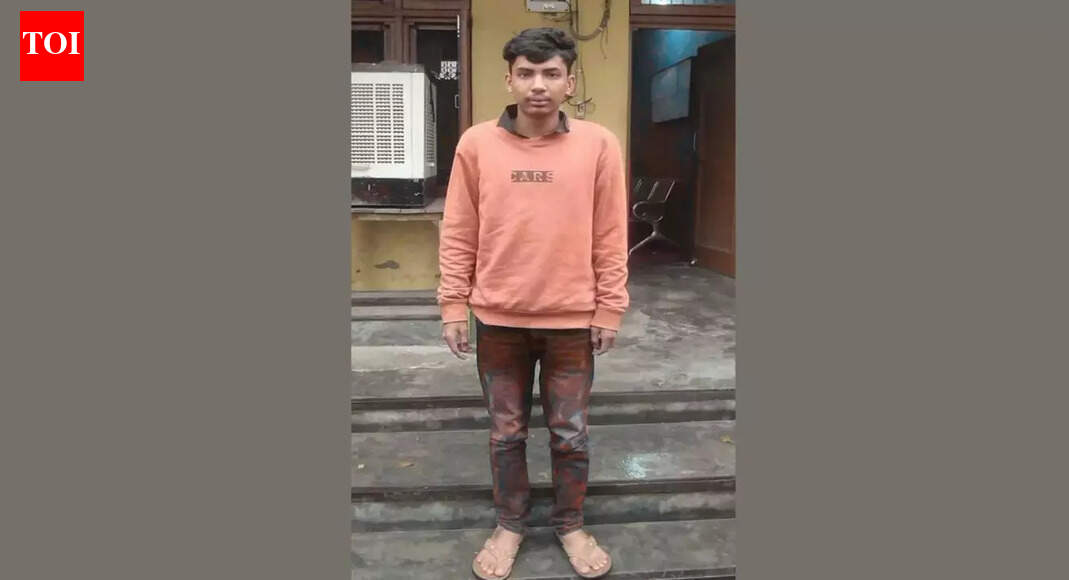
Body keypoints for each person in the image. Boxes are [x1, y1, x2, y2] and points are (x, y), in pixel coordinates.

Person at [436, 27, 629, 580]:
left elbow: (610, 233)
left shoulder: (598, 145)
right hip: (498, 319)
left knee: (570, 434)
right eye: (526, 73)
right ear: (509, 80)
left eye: (550, 74)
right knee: (506, 434)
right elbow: (458, 230)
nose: (538, 85)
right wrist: (453, 304)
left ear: (570, 82)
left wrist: (609, 307)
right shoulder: (477, 144)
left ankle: (570, 524)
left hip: (572, 321)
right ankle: (510, 524)